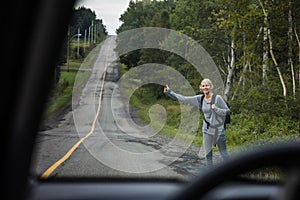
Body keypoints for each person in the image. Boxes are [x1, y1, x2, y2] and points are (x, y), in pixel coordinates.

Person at [163, 78, 230, 168]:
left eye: (207, 85)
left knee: (224, 154)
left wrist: (216, 109)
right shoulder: (200, 99)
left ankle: (235, 172)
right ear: (201, 88)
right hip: (206, 130)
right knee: (208, 155)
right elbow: (184, 99)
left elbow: (227, 111)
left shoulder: (217, 98)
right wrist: (169, 92)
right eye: (203, 86)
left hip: (219, 130)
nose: (205, 87)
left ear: (211, 87)